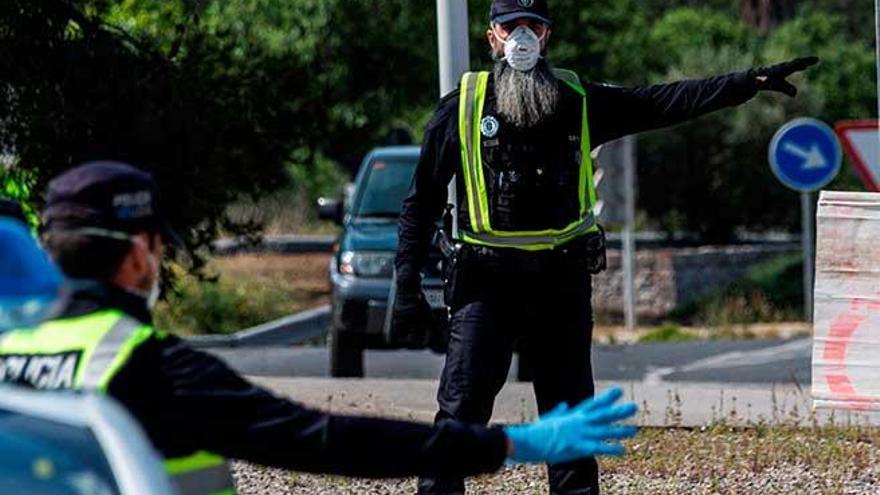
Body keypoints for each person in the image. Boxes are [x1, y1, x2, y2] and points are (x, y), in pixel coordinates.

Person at [0, 161, 638, 495]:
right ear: (140, 253)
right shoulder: (147, 367)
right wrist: (508, 445)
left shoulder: (9, 355)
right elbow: (325, 439)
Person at [392, 1, 817, 493]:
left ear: (547, 37)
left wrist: (746, 83)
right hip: (486, 285)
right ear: (492, 38)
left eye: (533, 26)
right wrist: (407, 285)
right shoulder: (462, 107)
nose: (522, 38)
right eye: (511, 27)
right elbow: (419, 202)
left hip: (559, 285)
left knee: (572, 423)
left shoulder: (578, 99)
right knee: (460, 416)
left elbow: (662, 102)